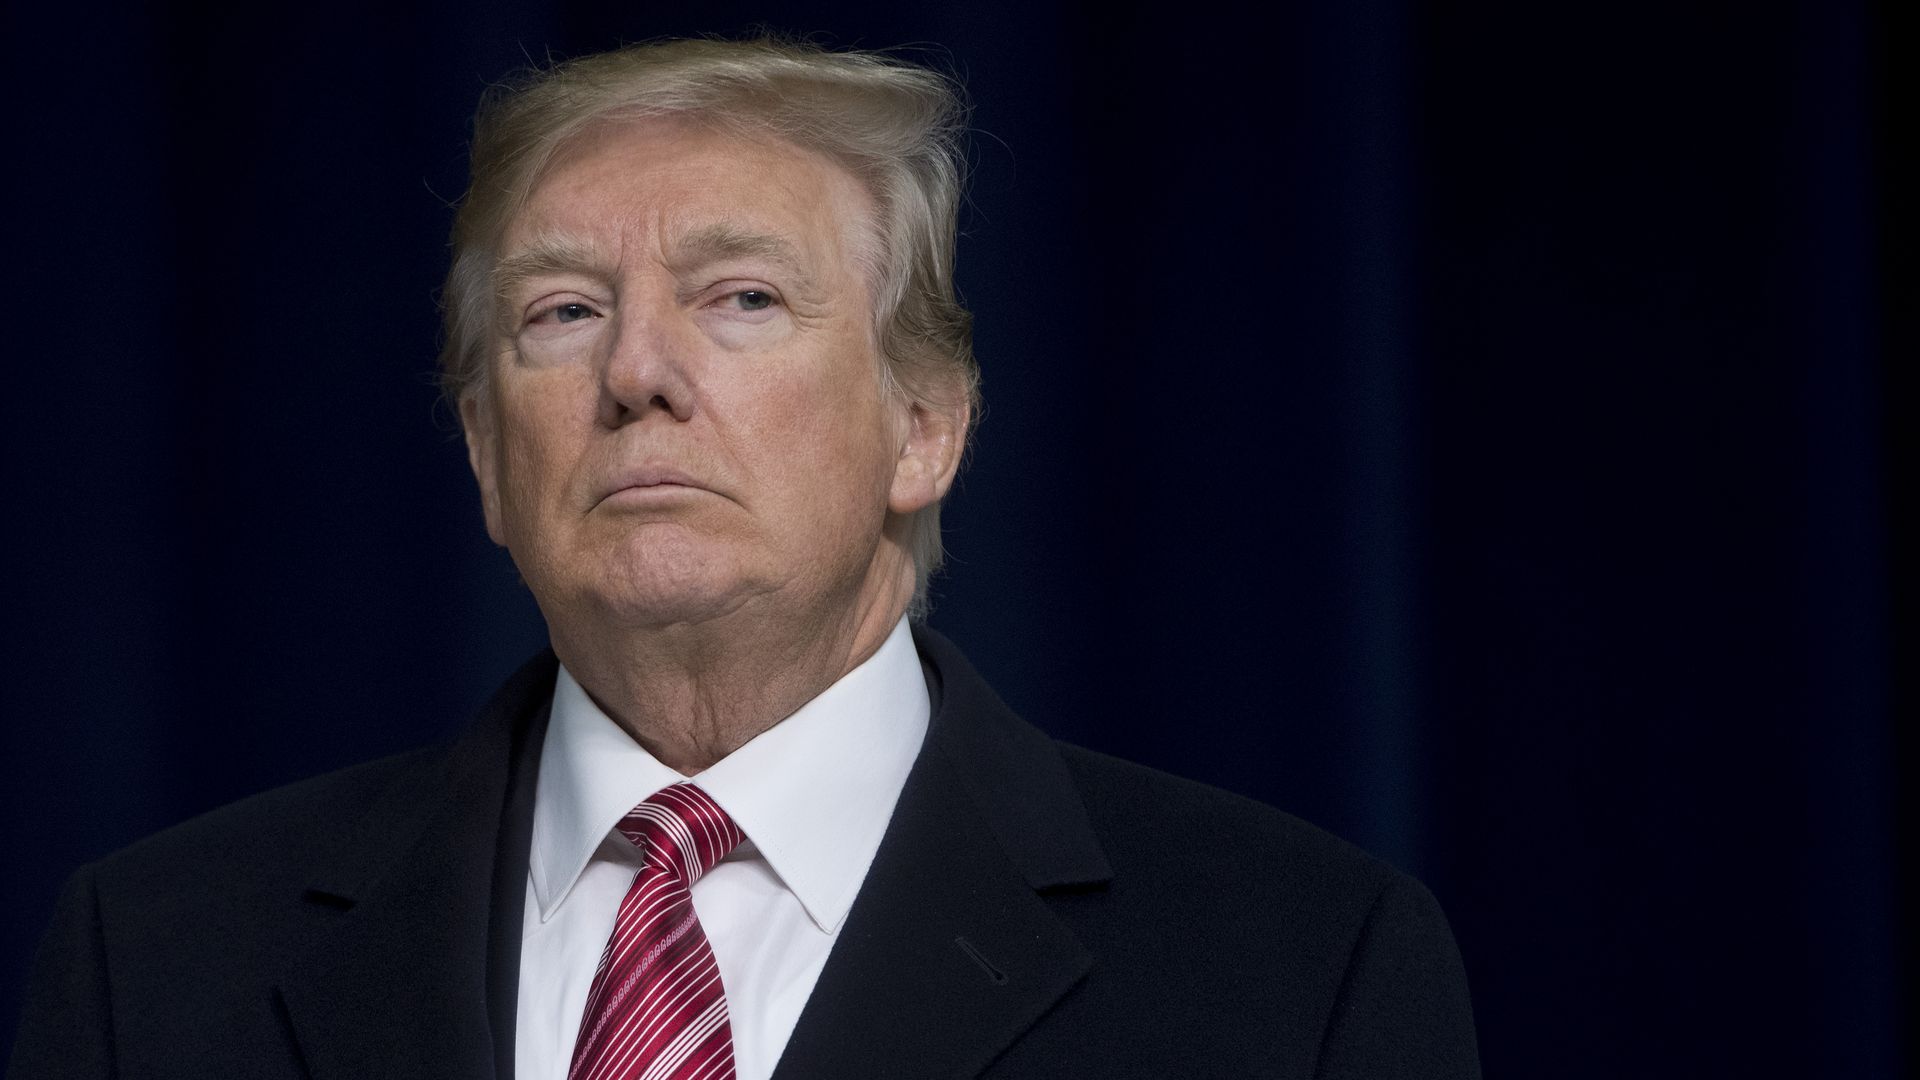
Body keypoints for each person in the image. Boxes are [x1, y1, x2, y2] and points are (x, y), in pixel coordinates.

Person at [8, 37, 1480, 1080]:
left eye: (743, 296)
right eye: (563, 313)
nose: (638, 369)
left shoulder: (1300, 968)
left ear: (925, 426)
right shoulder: (157, 956)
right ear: (483, 455)